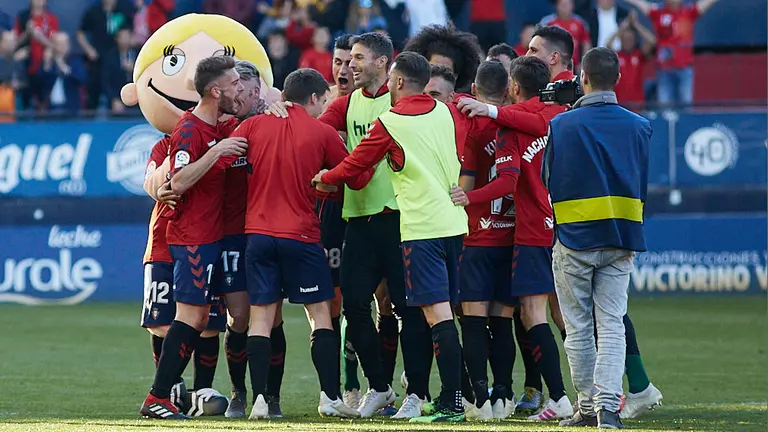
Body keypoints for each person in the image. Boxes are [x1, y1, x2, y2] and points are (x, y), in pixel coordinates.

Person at [267, 32, 434, 420]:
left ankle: (418, 393)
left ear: (382, 63)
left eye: (358, 58)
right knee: (354, 306)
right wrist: (283, 109)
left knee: (407, 308)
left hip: (399, 216)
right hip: (358, 218)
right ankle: (380, 387)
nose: (349, 65)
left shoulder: (401, 104)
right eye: (348, 58)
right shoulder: (346, 104)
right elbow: (309, 127)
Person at [316, 51, 470, 423]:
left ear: (397, 79)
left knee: (432, 315)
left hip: (417, 226)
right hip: (449, 223)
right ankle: (422, 393)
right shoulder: (444, 112)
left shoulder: (391, 121)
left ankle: (441, 399)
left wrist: (324, 177)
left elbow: (357, 163)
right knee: (434, 313)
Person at [229, 68, 371, 420]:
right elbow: (355, 177)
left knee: (261, 317)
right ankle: (330, 397)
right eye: (323, 101)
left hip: (258, 235)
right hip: (301, 235)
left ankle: (259, 401)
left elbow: (230, 163)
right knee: (319, 314)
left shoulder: (251, 127)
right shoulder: (322, 132)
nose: (324, 107)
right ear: (314, 98)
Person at [542, 47, 652, 429]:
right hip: (621, 235)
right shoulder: (640, 126)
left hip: (573, 237)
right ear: (618, 79)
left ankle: (587, 408)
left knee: (578, 328)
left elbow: (546, 178)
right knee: (612, 324)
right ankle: (608, 410)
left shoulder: (561, 124)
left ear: (583, 78)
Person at [139, 55, 247, 420]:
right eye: (234, 84)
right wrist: (216, 152)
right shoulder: (189, 130)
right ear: (216, 91)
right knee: (188, 318)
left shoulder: (217, 126)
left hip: (209, 237)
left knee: (199, 320)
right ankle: (158, 397)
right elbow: (179, 181)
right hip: (192, 238)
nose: (239, 89)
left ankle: (174, 394)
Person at [453, 60, 520, 421]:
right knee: (504, 321)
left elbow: (465, 185)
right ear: (508, 90)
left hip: (477, 238)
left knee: (475, 322)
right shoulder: (518, 124)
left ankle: (480, 399)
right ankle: (504, 394)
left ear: (475, 91)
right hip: (512, 237)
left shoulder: (473, 129)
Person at [403, 23, 483, 94]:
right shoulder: (404, 99)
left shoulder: (465, 104)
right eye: (432, 70)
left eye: (445, 72)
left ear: (456, 77)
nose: (437, 76)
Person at [606, 12, 656, 110]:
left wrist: (636, 25)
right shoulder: (616, 56)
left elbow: (652, 41)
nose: (628, 42)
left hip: (638, 103)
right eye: (625, 39)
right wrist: (622, 29)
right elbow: (608, 44)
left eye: (630, 39)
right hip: (619, 103)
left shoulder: (639, 55)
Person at [540, 0, 591, 70]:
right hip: (551, 65)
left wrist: (583, 63)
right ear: (556, 6)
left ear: (573, 5)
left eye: (567, 4)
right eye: (562, 5)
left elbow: (586, 43)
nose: (565, 7)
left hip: (574, 66)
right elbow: (539, 43)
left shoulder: (580, 22)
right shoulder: (547, 22)